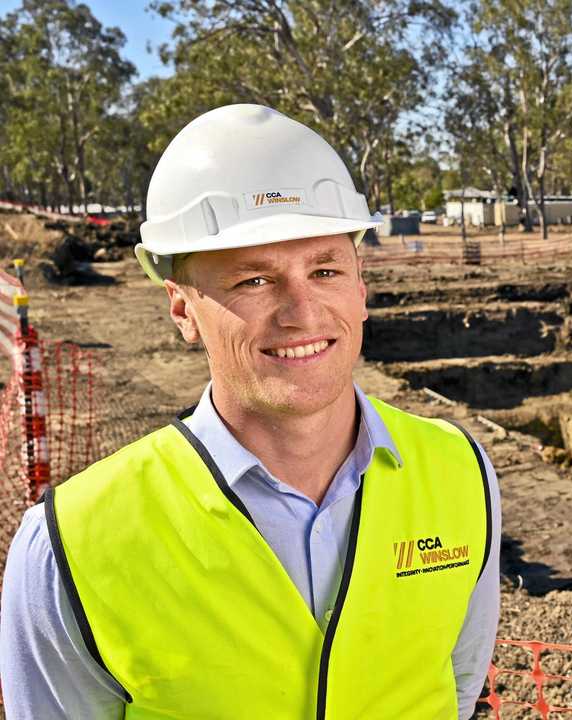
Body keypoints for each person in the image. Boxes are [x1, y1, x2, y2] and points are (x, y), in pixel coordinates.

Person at [0, 104, 501, 719]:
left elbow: (458, 690)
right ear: (182, 308)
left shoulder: (462, 473)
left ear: (361, 286)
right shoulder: (69, 545)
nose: (303, 313)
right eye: (253, 281)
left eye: (324, 269)